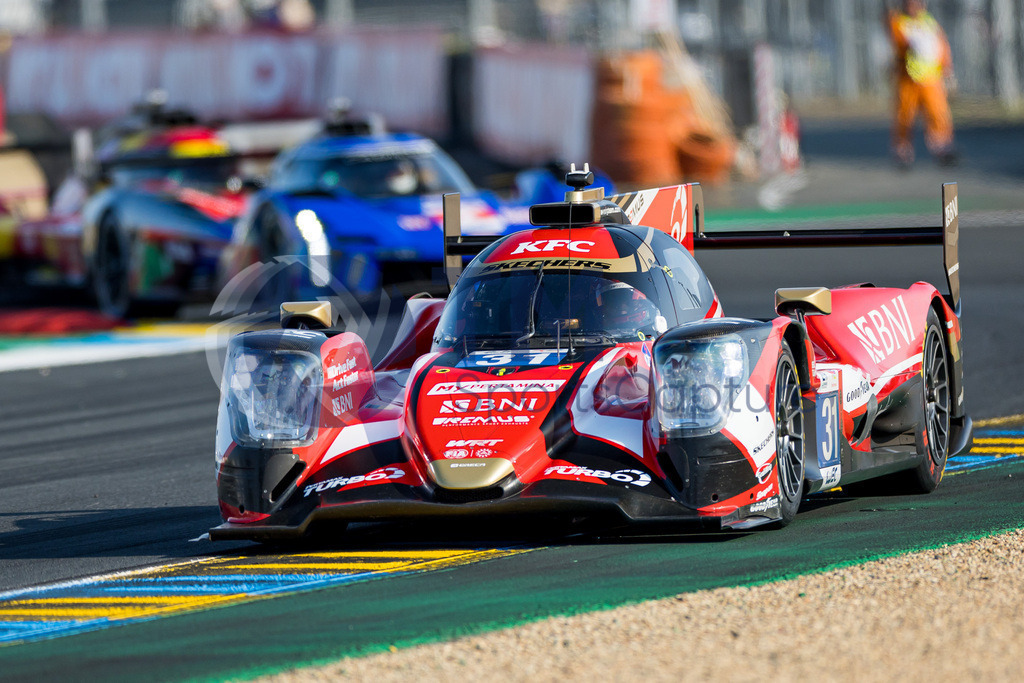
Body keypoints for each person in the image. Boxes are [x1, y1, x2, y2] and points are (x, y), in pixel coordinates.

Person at [887, 0, 957, 167]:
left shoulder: (929, 22)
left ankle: (943, 147)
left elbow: (942, 46)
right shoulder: (899, 22)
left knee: (938, 113)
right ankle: (902, 151)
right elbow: (898, 43)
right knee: (904, 115)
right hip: (908, 79)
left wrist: (947, 68)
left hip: (931, 79)